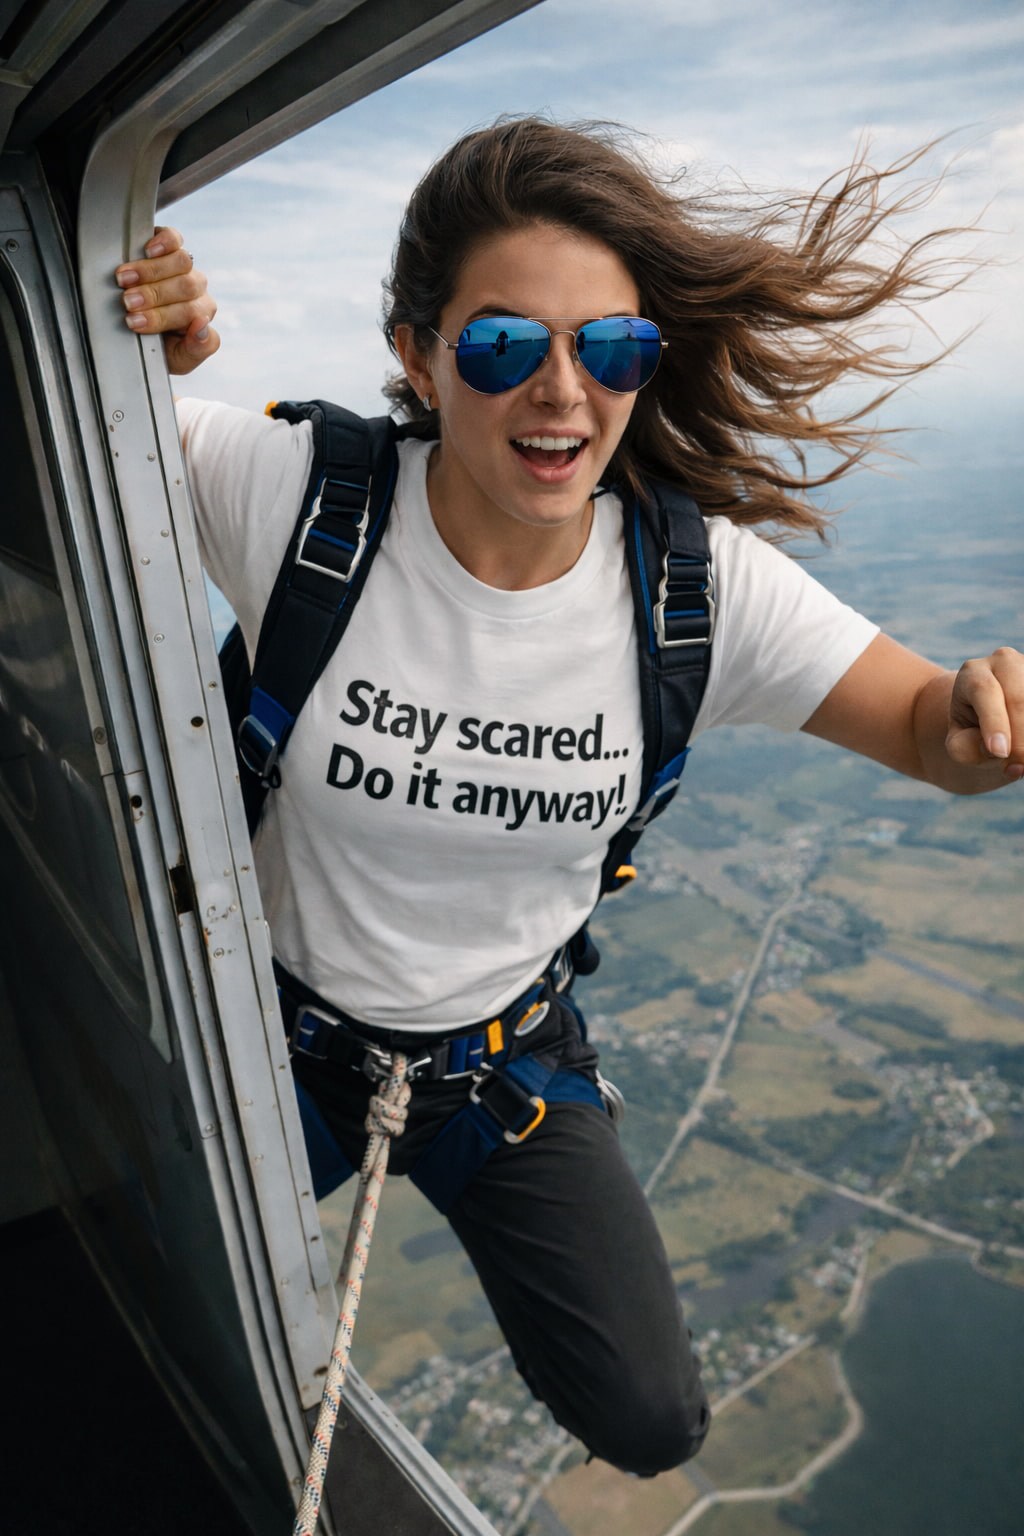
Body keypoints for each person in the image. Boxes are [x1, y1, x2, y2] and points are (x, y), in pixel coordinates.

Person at [114, 118, 1022, 1477]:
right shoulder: (301, 501)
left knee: (651, 1419)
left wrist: (985, 722)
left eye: (611, 352)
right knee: (125, 1305)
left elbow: (927, 733)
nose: (561, 392)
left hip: (498, 1067)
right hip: (274, 1038)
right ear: (417, 355)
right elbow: (41, 429)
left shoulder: (692, 592)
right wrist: (121, 341)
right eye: (499, 347)